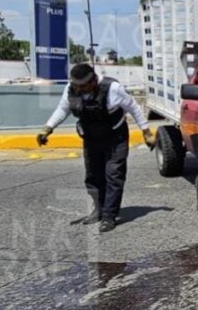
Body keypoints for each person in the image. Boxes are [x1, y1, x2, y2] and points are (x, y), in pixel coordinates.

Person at [37, 64, 154, 233]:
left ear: (93, 81)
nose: (79, 89)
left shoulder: (112, 89)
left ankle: (109, 216)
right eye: (76, 85)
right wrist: (47, 128)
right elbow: (63, 109)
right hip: (91, 139)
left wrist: (146, 132)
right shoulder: (71, 90)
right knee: (93, 175)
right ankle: (98, 209)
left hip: (115, 137)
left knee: (114, 175)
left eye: (83, 85)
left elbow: (133, 107)